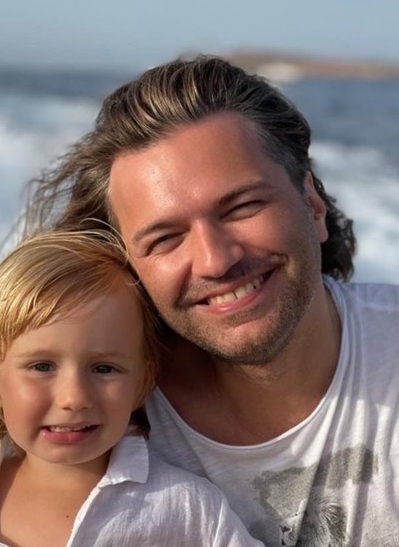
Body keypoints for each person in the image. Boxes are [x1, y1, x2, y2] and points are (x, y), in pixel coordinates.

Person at [23, 56, 399, 546]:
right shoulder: (85, 414)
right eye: (165, 238)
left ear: (312, 204)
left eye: (242, 207)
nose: (215, 261)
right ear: (129, 268)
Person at [0, 229, 263, 546]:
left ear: (141, 383)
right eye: (42, 367)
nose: (74, 398)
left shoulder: (187, 509)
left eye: (104, 369)